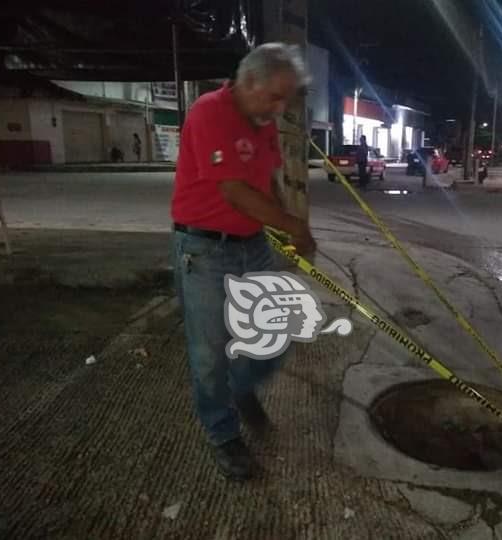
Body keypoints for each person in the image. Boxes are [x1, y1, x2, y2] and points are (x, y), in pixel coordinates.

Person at [170, 42, 316, 481]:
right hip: (205, 251)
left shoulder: (261, 119)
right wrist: (294, 227)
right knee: (210, 353)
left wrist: (282, 223)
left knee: (277, 331)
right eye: (274, 96)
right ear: (247, 82)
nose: (280, 107)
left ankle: (243, 385)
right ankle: (223, 434)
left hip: (251, 244)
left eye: (285, 98)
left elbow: (267, 177)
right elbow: (234, 189)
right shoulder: (209, 112)